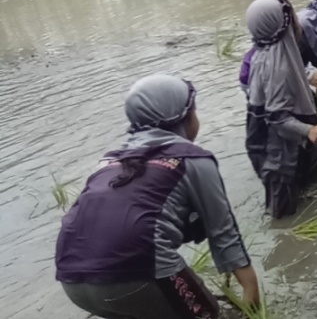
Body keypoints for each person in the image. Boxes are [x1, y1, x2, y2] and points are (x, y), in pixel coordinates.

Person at [55, 75, 261, 319]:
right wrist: (252, 293)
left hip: (72, 280)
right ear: (184, 117)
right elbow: (223, 232)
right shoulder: (193, 159)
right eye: (194, 111)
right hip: (138, 275)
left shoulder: (108, 161)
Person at [244, 0, 317, 219]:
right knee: (283, 211)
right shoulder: (277, 67)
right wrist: (309, 130)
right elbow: (276, 117)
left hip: (275, 140)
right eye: (292, 16)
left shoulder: (263, 55)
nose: (297, 21)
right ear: (282, 24)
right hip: (279, 152)